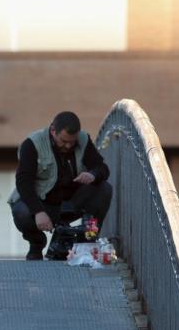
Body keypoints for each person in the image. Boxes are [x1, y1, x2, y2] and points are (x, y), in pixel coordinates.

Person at [8, 111, 112, 261]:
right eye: (63, 141)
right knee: (21, 212)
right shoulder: (32, 144)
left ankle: (87, 242)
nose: (68, 146)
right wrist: (38, 211)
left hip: (71, 204)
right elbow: (23, 182)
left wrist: (93, 175)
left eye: (72, 142)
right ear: (53, 131)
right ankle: (36, 244)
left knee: (104, 189)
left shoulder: (83, 140)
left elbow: (103, 168)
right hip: (43, 204)